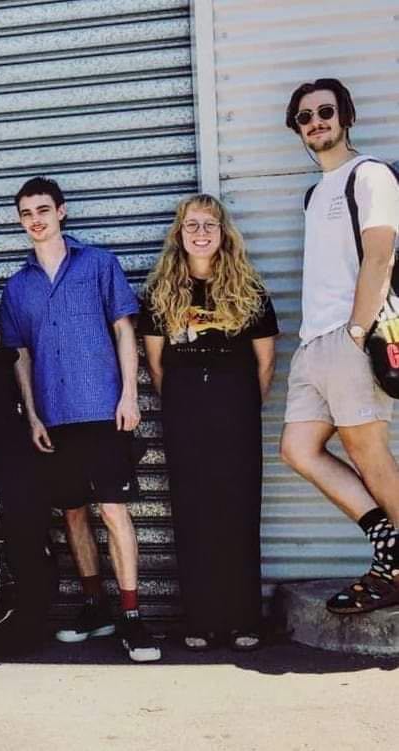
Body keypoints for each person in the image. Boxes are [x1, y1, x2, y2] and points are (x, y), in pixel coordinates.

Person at [0, 176, 161, 662]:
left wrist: (130, 395)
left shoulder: (98, 264)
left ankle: (132, 615)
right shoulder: (18, 286)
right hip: (54, 416)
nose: (36, 220)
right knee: (72, 512)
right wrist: (33, 416)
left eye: (43, 210)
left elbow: (124, 330)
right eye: (27, 213)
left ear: (61, 211)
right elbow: (20, 355)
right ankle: (96, 607)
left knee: (113, 510)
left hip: (104, 409)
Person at [279, 78, 399, 614]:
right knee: (297, 449)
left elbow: (380, 255)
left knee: (368, 454)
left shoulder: (370, 174)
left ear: (345, 116)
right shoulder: (315, 194)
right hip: (313, 344)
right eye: (305, 117)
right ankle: (389, 545)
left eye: (325, 111)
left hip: (352, 336)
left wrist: (356, 331)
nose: (316, 122)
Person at [139, 195, 278, 651]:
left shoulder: (249, 290)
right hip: (184, 407)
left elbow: (266, 362)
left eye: (209, 225)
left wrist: (239, 406)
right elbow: (156, 364)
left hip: (235, 406)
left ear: (223, 233)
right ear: (179, 234)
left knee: (238, 510)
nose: (201, 233)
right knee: (193, 510)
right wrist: (186, 403)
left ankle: (243, 620)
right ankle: (200, 620)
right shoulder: (161, 292)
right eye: (192, 225)